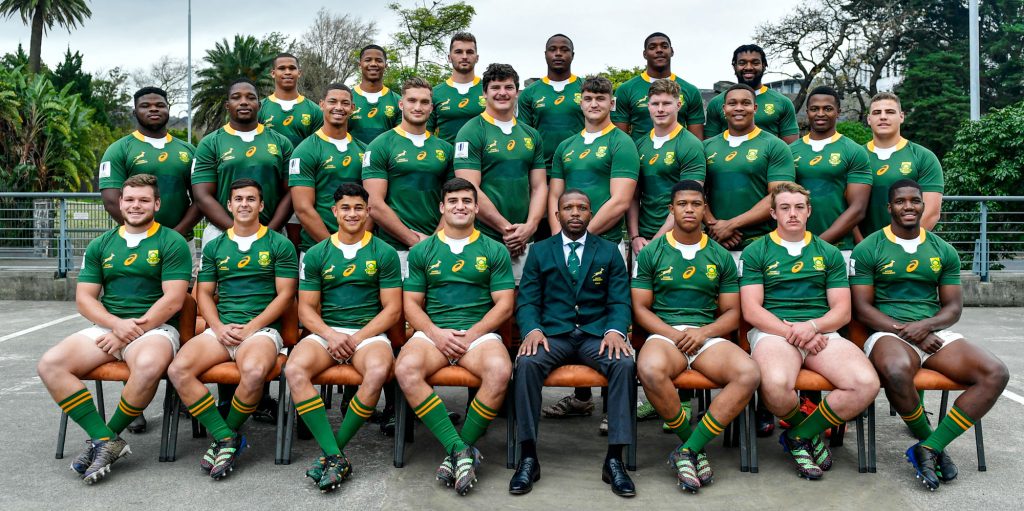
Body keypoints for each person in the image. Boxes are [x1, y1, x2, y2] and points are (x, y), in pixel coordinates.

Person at [851, 179, 1008, 491]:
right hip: (887, 332)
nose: (908, 207)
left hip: (934, 332)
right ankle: (928, 440)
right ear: (889, 207)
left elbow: (952, 308)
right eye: (901, 201)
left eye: (915, 201)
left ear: (923, 205)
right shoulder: (869, 247)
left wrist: (927, 327)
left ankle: (930, 447)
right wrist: (911, 331)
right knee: (896, 371)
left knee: (995, 373)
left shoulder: (942, 250)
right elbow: (862, 309)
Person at [37, 174, 191, 484]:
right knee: (50, 365)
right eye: (130, 199)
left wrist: (128, 330)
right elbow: (84, 298)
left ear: (157, 204)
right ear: (120, 203)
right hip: (109, 326)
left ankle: (109, 436)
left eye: (144, 199)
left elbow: (174, 300)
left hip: (156, 329)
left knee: (147, 366)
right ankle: (104, 439)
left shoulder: (172, 241)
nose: (136, 205)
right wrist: (116, 325)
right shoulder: (101, 244)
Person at [739, 181, 879, 480]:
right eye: (785, 208)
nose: (793, 214)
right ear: (773, 213)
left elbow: (842, 311)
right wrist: (796, 332)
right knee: (774, 385)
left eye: (799, 207)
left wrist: (813, 327)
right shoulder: (756, 251)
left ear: (809, 211)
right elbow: (752, 310)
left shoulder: (828, 252)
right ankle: (811, 435)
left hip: (821, 331)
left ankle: (798, 435)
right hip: (773, 331)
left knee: (865, 384)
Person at [167, 178, 298, 480]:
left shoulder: (279, 244)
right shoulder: (216, 245)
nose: (244, 204)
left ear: (261, 205)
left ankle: (226, 435)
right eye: (238, 199)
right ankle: (226, 437)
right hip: (221, 328)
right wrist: (217, 326)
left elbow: (286, 295)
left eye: (251, 199)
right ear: (229, 205)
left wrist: (253, 327)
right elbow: (203, 293)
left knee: (253, 372)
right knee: (178, 370)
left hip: (262, 331)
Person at [394, 178, 515, 496]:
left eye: (466, 200)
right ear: (442, 207)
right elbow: (410, 304)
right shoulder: (422, 251)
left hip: (478, 333)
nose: (459, 206)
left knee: (501, 370)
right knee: (406, 369)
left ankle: (461, 449)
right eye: (453, 201)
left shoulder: (494, 249)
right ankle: (460, 450)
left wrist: (471, 334)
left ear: (476, 207)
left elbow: (505, 304)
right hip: (434, 332)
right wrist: (435, 333)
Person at [512, 189, 635, 497]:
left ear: (591, 214)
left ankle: (614, 460)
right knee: (526, 363)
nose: (576, 212)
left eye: (582, 208)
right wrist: (532, 330)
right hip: (554, 335)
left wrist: (615, 331)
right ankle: (528, 457)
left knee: (624, 364)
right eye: (569, 208)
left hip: (596, 335)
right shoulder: (540, 251)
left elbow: (620, 301)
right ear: (558, 215)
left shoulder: (608, 251)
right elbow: (527, 301)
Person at [284, 183, 402, 492]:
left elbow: (392, 310)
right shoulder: (317, 254)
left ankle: (331, 452)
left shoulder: (385, 252)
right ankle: (337, 456)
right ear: (334, 212)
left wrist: (358, 336)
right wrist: (330, 335)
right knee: (295, 369)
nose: (352, 213)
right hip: (328, 331)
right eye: (345, 208)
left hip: (369, 333)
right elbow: (306, 309)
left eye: (358, 207)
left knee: (377, 371)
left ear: (368, 211)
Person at [98, 86, 200, 434]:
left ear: (169, 109)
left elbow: (199, 197)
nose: (153, 110)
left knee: (182, 312)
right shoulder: (119, 149)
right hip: (135, 246)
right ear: (135, 111)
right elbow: (113, 200)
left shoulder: (187, 150)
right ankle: (135, 402)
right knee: (135, 314)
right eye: (146, 105)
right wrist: (147, 234)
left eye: (160, 105)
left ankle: (182, 391)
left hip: (179, 243)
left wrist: (171, 236)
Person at [454, 63, 547, 284]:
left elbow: (539, 186)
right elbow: (468, 189)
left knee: (521, 305)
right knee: (486, 304)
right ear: (484, 92)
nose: (502, 93)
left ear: (517, 91)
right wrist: (507, 230)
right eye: (495, 87)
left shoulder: (531, 135)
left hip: (525, 238)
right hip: (485, 238)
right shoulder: (471, 131)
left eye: (508, 87)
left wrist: (531, 226)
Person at [364, 77, 454, 277]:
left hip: (437, 247)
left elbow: (452, 201)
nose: (418, 107)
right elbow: (374, 204)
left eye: (424, 102)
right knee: (395, 308)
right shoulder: (380, 145)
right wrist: (414, 240)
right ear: (401, 104)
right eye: (412, 101)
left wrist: (434, 241)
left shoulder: (445, 149)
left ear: (432, 107)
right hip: (393, 249)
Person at [192, 78, 294, 247]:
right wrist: (237, 232)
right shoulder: (210, 143)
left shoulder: (281, 142)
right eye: (236, 97)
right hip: (221, 233)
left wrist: (269, 232)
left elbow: (291, 193)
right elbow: (202, 196)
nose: (244, 102)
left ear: (259, 105)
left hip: (271, 233)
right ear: (227, 105)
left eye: (251, 97)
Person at [548, 75, 638, 260]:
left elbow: (620, 200)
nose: (594, 104)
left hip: (606, 244)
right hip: (567, 246)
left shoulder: (622, 143)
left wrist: (582, 237)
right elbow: (555, 196)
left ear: (612, 104)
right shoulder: (565, 146)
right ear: (581, 103)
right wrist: (560, 239)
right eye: (588, 99)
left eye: (600, 98)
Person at [703, 84, 794, 252]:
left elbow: (779, 196)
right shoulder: (705, 147)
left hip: (761, 242)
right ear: (724, 109)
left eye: (745, 103)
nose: (739, 108)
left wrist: (731, 225)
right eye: (732, 103)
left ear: (755, 107)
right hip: (713, 241)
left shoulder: (776, 146)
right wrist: (714, 226)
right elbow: (694, 192)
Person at [628, 79, 706, 257]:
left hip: (678, 239)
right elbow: (633, 196)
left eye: (666, 103)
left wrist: (657, 240)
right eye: (655, 104)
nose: (660, 109)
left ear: (678, 105)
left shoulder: (690, 144)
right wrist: (634, 237)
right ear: (648, 106)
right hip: (642, 242)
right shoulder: (639, 145)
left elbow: (689, 200)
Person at [790, 86, 872, 257]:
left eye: (827, 109)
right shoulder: (789, 151)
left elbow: (858, 208)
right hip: (792, 247)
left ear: (838, 112)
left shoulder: (854, 151)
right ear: (807, 112)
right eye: (814, 109)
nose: (820, 113)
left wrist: (817, 245)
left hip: (839, 249)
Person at [289, 83, 367, 257]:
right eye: (333, 102)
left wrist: (361, 244)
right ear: (322, 104)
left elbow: (372, 203)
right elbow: (303, 208)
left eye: (345, 103)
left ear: (352, 108)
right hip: (317, 249)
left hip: (360, 250)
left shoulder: (364, 150)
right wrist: (334, 247)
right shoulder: (305, 150)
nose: (339, 107)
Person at [861, 92, 944, 237]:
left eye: (890, 112)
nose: (883, 117)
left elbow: (931, 213)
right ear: (869, 119)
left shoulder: (923, 157)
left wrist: (898, 243)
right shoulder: (855, 156)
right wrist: (865, 248)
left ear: (902, 116)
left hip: (908, 250)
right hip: (862, 249)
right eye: (876, 113)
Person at [612, 32, 704, 141]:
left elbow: (697, 140)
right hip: (639, 155)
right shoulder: (624, 90)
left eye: (664, 46)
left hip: (678, 156)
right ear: (645, 54)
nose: (659, 50)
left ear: (672, 51)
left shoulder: (691, 90)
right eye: (652, 47)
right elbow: (619, 139)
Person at [518, 33, 585, 171]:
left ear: (572, 55)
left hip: (580, 166)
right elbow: (524, 136)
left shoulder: (586, 89)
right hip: (541, 169)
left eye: (564, 50)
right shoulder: (529, 93)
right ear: (545, 54)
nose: (558, 54)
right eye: (553, 49)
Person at [704, 44, 798, 142]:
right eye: (742, 63)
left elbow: (791, 149)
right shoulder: (716, 102)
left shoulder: (783, 102)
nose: (748, 67)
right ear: (734, 66)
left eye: (755, 63)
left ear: (764, 66)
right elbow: (710, 147)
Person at [429, 32, 485, 144]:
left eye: (469, 52)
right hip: (447, 159)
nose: (464, 56)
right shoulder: (434, 93)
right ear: (449, 58)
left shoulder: (490, 90)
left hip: (483, 159)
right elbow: (425, 134)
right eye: (458, 52)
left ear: (477, 58)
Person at [259, 52, 324, 147]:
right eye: (282, 68)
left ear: (299, 73)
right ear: (273, 73)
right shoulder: (259, 108)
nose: (287, 72)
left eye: (292, 68)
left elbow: (319, 147)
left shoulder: (315, 110)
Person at [349, 45, 401, 145]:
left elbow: (399, 139)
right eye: (368, 60)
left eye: (379, 60)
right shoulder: (346, 99)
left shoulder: (398, 101)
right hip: (353, 158)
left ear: (386, 65)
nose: (373, 64)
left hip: (385, 159)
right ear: (360, 64)